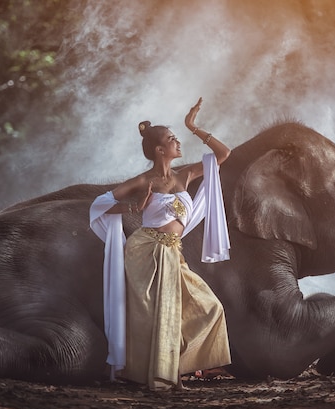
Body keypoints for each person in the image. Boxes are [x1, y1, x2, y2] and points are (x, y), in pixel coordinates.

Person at [89, 98, 232, 390]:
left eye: (176, 137)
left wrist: (193, 127)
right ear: (159, 150)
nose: (177, 142)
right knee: (160, 314)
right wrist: (133, 209)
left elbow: (223, 153)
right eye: (172, 139)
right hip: (148, 250)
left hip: (172, 252)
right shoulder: (143, 181)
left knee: (210, 307)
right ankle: (169, 379)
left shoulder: (186, 175)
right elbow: (100, 205)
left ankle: (174, 372)